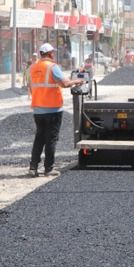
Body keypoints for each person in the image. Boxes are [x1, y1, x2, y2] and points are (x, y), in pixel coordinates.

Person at [28, 42, 83, 178]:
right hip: (53, 110)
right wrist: (76, 81)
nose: (54, 54)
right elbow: (64, 83)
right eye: (53, 52)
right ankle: (49, 168)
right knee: (51, 139)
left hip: (38, 110)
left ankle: (33, 167)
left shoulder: (33, 67)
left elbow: (30, 87)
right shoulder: (52, 67)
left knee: (39, 139)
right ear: (50, 53)